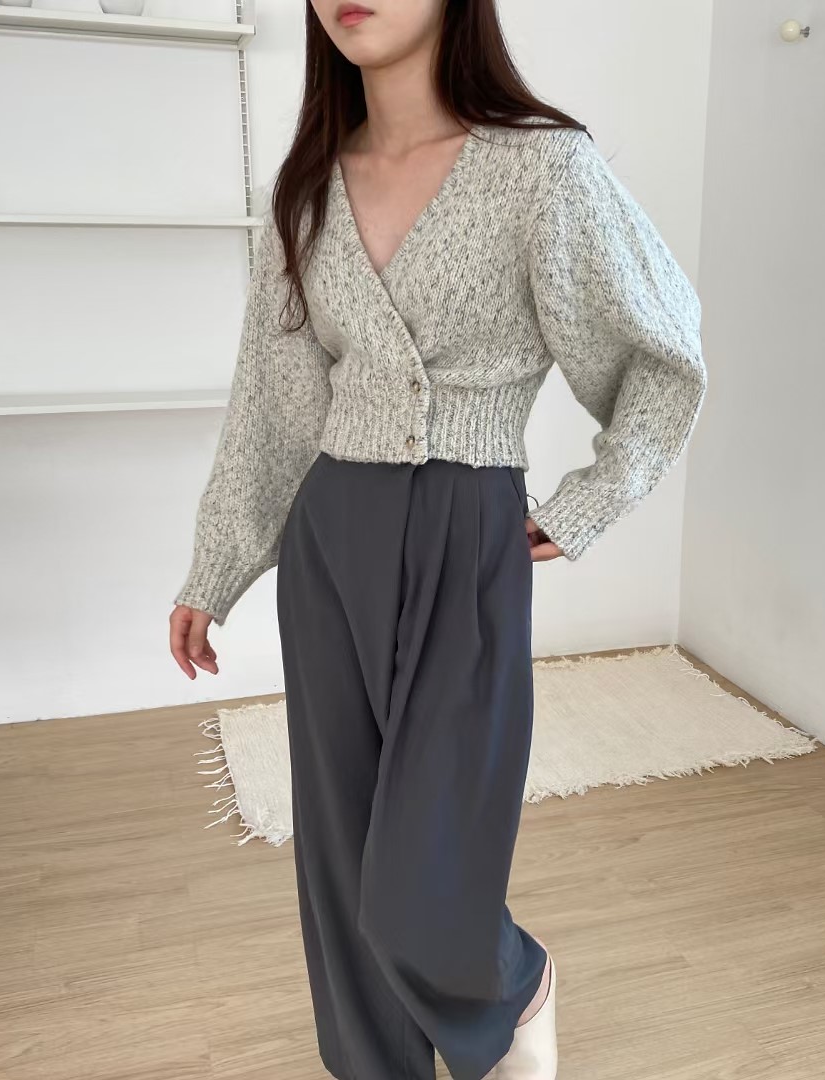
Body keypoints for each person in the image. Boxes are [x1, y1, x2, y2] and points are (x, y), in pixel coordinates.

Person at [168, 0, 707, 1076]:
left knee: (424, 891)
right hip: (330, 539)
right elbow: (272, 405)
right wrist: (215, 569)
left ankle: (516, 982)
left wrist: (590, 502)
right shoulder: (308, 187)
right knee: (341, 858)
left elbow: (663, 357)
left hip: (467, 534)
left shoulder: (542, 170)